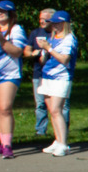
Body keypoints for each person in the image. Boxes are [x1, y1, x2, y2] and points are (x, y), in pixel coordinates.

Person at [0, 1, 28, 159]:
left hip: (9, 74)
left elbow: (16, 52)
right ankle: (2, 143)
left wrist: (2, 40)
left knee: (5, 107)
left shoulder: (16, 29)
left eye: (3, 11)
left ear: (11, 14)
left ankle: (8, 145)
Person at [37, 10, 78, 156]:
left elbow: (64, 59)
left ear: (64, 23)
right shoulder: (53, 37)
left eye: (58, 22)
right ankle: (57, 139)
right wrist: (44, 50)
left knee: (56, 110)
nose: (55, 25)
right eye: (53, 22)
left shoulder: (69, 38)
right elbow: (45, 59)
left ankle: (63, 143)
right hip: (48, 75)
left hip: (62, 78)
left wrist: (48, 48)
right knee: (51, 111)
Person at [27, 8, 66, 137]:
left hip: (58, 75)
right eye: (40, 19)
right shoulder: (35, 33)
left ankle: (62, 132)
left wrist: (48, 49)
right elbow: (26, 52)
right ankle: (40, 131)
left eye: (45, 19)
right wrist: (35, 53)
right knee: (41, 104)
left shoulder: (59, 35)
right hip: (39, 73)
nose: (42, 21)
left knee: (61, 106)